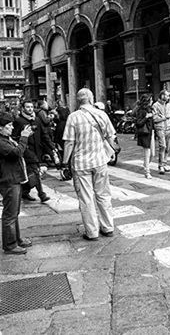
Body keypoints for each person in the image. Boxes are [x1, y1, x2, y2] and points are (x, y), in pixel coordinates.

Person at [62, 88, 116, 241]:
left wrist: (65, 163)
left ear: (78, 101)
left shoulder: (73, 117)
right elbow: (110, 137)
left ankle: (92, 232)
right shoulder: (102, 114)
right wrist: (111, 150)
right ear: (91, 99)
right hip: (100, 161)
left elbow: (69, 143)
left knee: (86, 198)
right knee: (103, 194)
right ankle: (108, 227)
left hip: (81, 164)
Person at [0, 112, 34, 255]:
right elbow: (16, 153)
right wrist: (24, 137)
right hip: (8, 181)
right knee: (10, 214)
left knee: (15, 212)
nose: (12, 127)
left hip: (14, 179)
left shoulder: (5, 138)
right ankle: (10, 245)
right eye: (8, 125)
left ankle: (17, 239)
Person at [13, 99, 55, 202]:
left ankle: (24, 191)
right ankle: (42, 194)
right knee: (35, 172)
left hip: (37, 150)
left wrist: (51, 147)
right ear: (23, 108)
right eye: (27, 107)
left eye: (31, 107)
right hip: (26, 151)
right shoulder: (19, 121)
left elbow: (44, 135)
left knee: (30, 174)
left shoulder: (37, 120)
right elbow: (14, 136)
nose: (30, 109)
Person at [153, 89, 170, 175]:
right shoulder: (155, 105)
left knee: (167, 148)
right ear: (162, 96)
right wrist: (164, 118)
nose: (168, 97)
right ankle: (160, 165)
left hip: (168, 128)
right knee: (163, 146)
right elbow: (154, 118)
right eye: (167, 95)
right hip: (160, 128)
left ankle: (164, 164)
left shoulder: (168, 105)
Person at [134, 94, 155, 179]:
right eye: (151, 100)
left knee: (152, 154)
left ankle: (145, 164)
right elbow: (138, 123)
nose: (152, 101)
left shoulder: (150, 109)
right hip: (145, 133)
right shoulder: (141, 110)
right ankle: (147, 172)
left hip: (151, 132)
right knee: (147, 153)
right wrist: (146, 117)